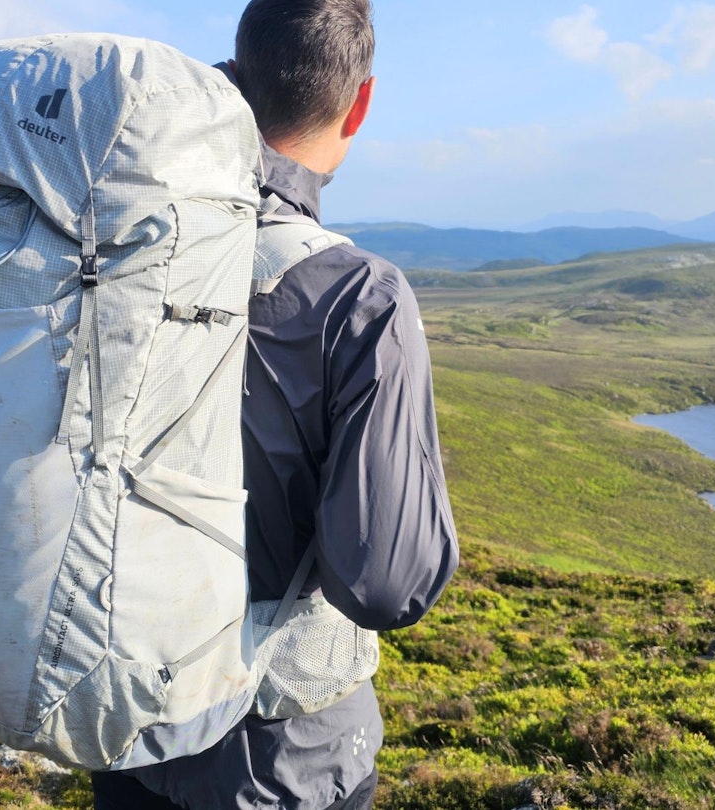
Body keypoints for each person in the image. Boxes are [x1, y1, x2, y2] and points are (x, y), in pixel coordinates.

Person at [91, 0, 459, 807]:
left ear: (232, 82)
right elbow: (386, 583)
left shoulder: (114, 257)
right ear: (359, 103)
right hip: (285, 760)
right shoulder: (361, 298)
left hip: (126, 731)